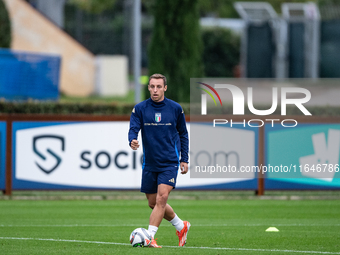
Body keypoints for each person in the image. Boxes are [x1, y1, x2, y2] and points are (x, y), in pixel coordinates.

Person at [128, 73, 190, 248]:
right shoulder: (140, 108)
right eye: (152, 86)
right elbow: (133, 128)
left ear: (165, 88)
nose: (155, 90)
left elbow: (183, 134)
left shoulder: (175, 108)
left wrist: (184, 158)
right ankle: (181, 225)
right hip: (150, 163)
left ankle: (149, 237)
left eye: (158, 86)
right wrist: (132, 139)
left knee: (162, 198)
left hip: (169, 162)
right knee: (153, 203)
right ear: (148, 87)